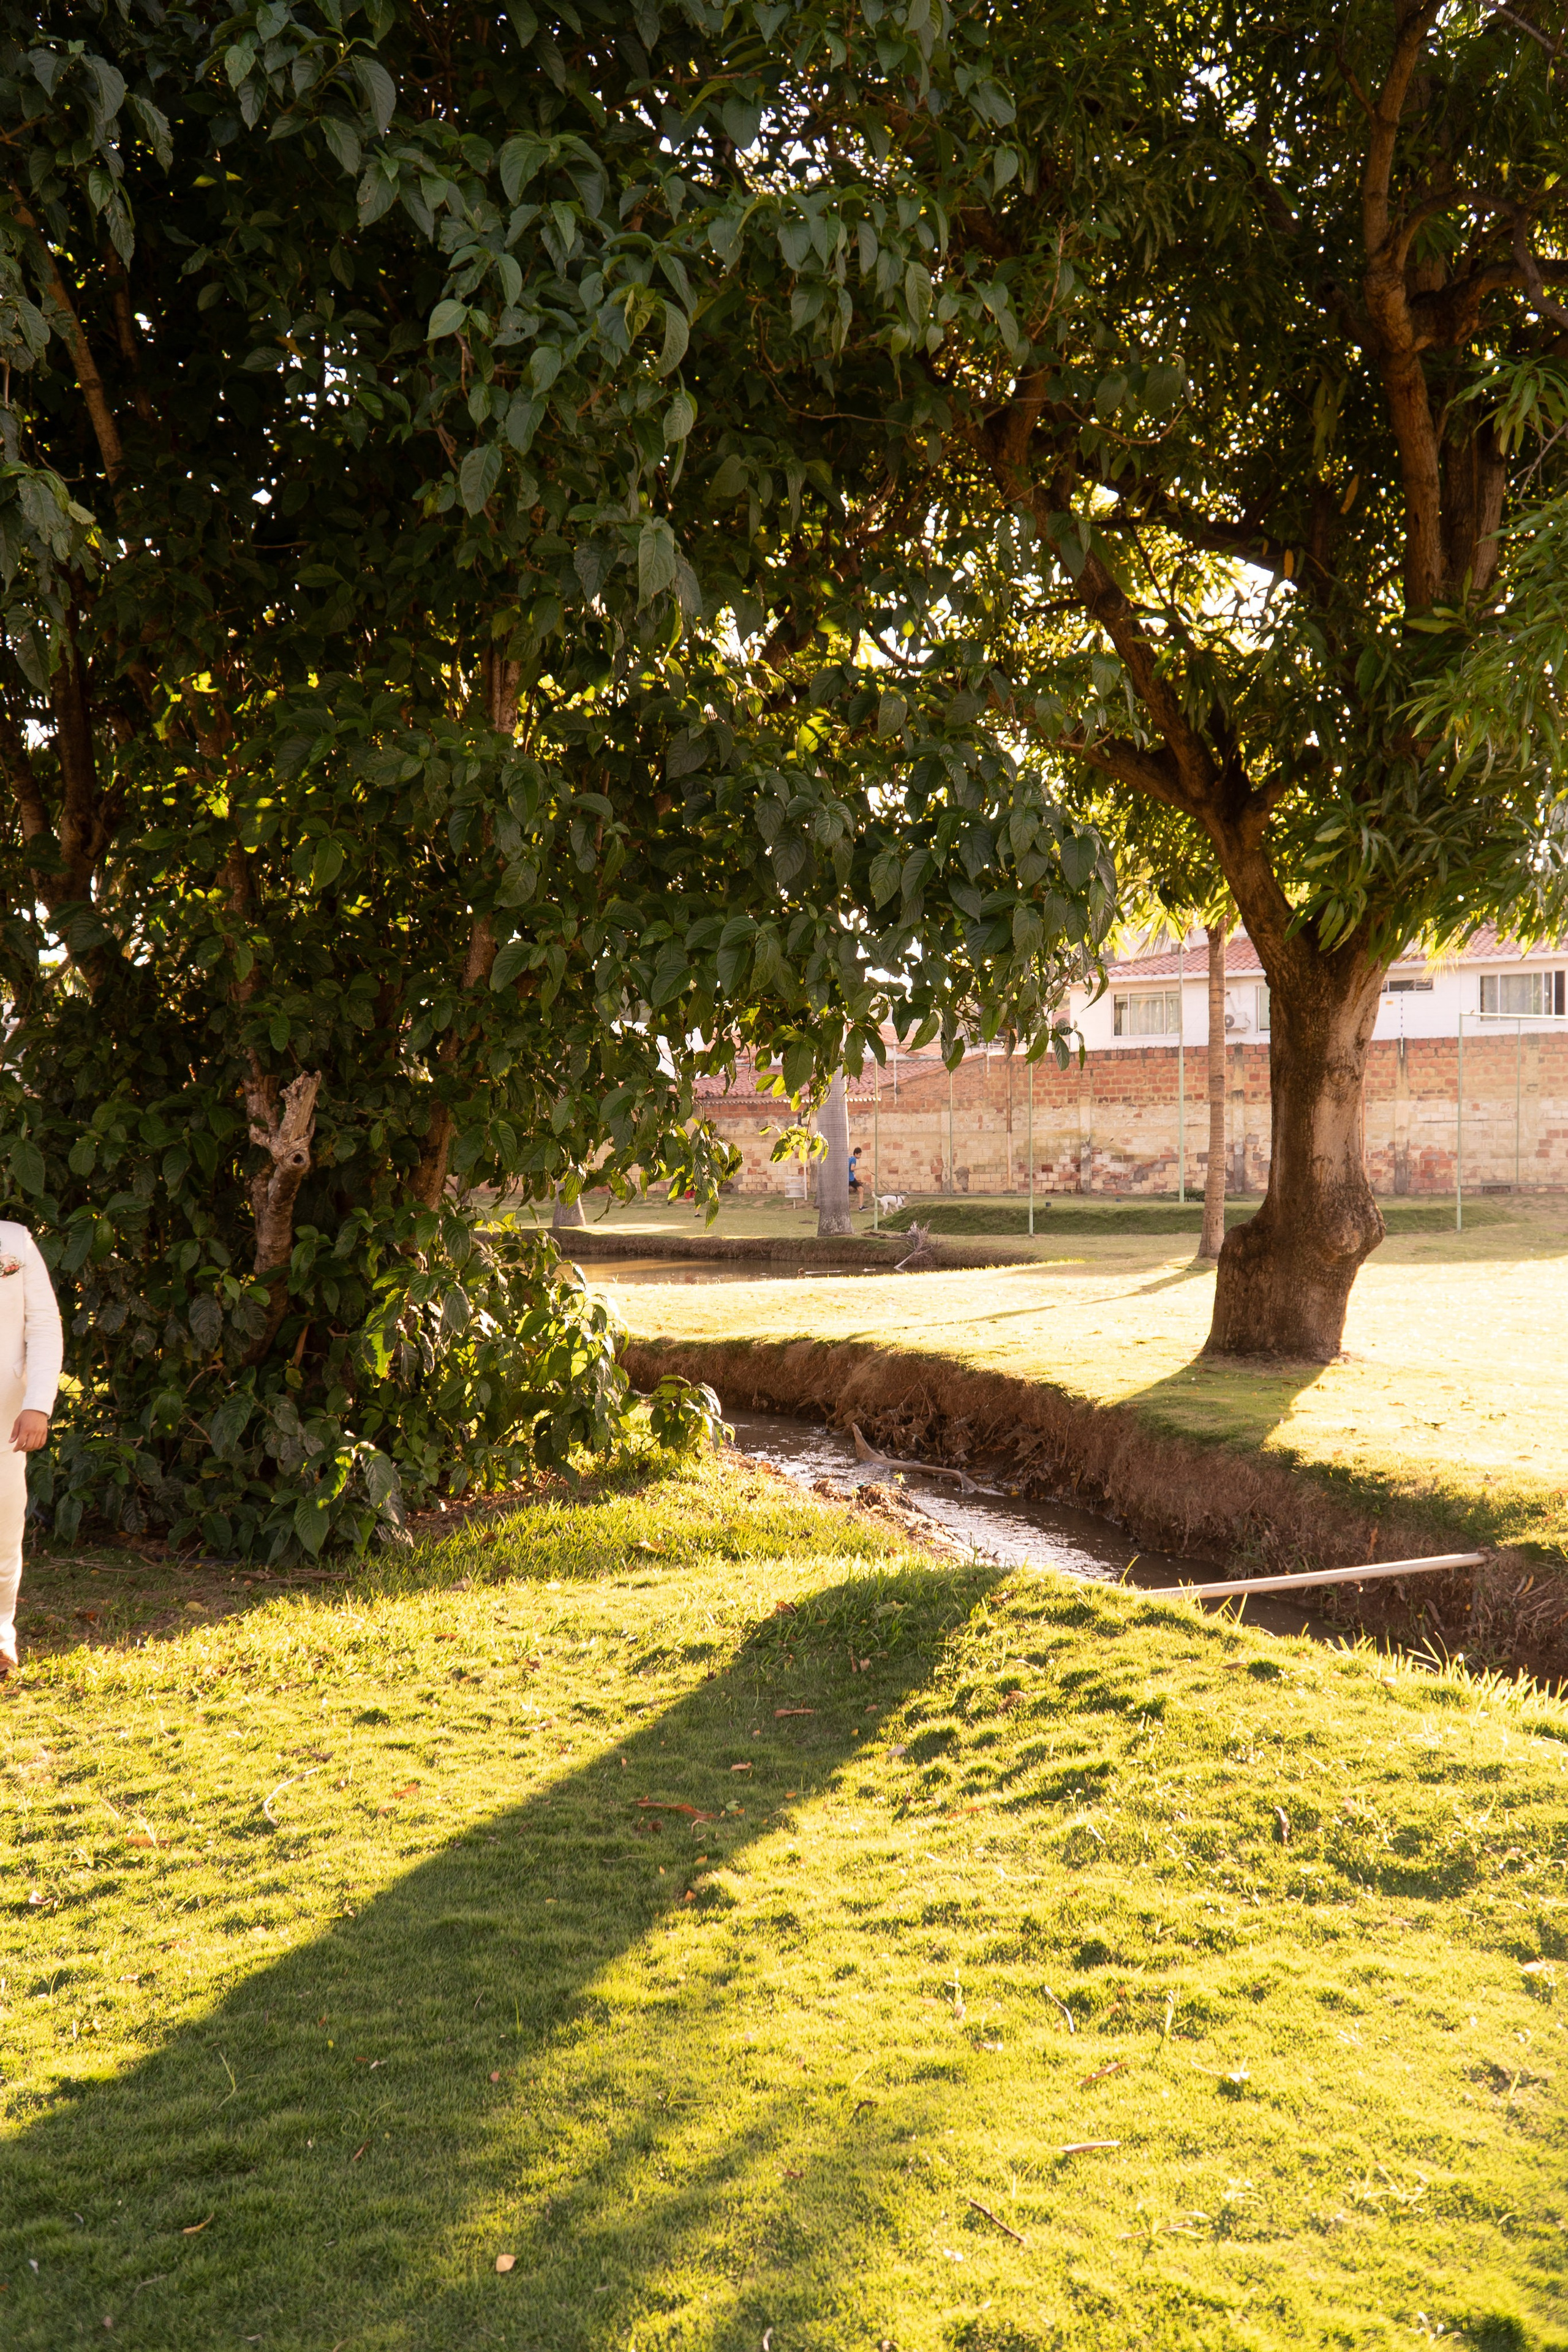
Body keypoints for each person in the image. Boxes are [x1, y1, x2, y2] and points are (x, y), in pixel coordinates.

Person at [0, 1221, 63, 1676]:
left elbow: (42, 1326)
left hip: (3, 1423)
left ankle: (1, 1639)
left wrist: (38, 1404)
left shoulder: (13, 1241)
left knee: (2, 1539)